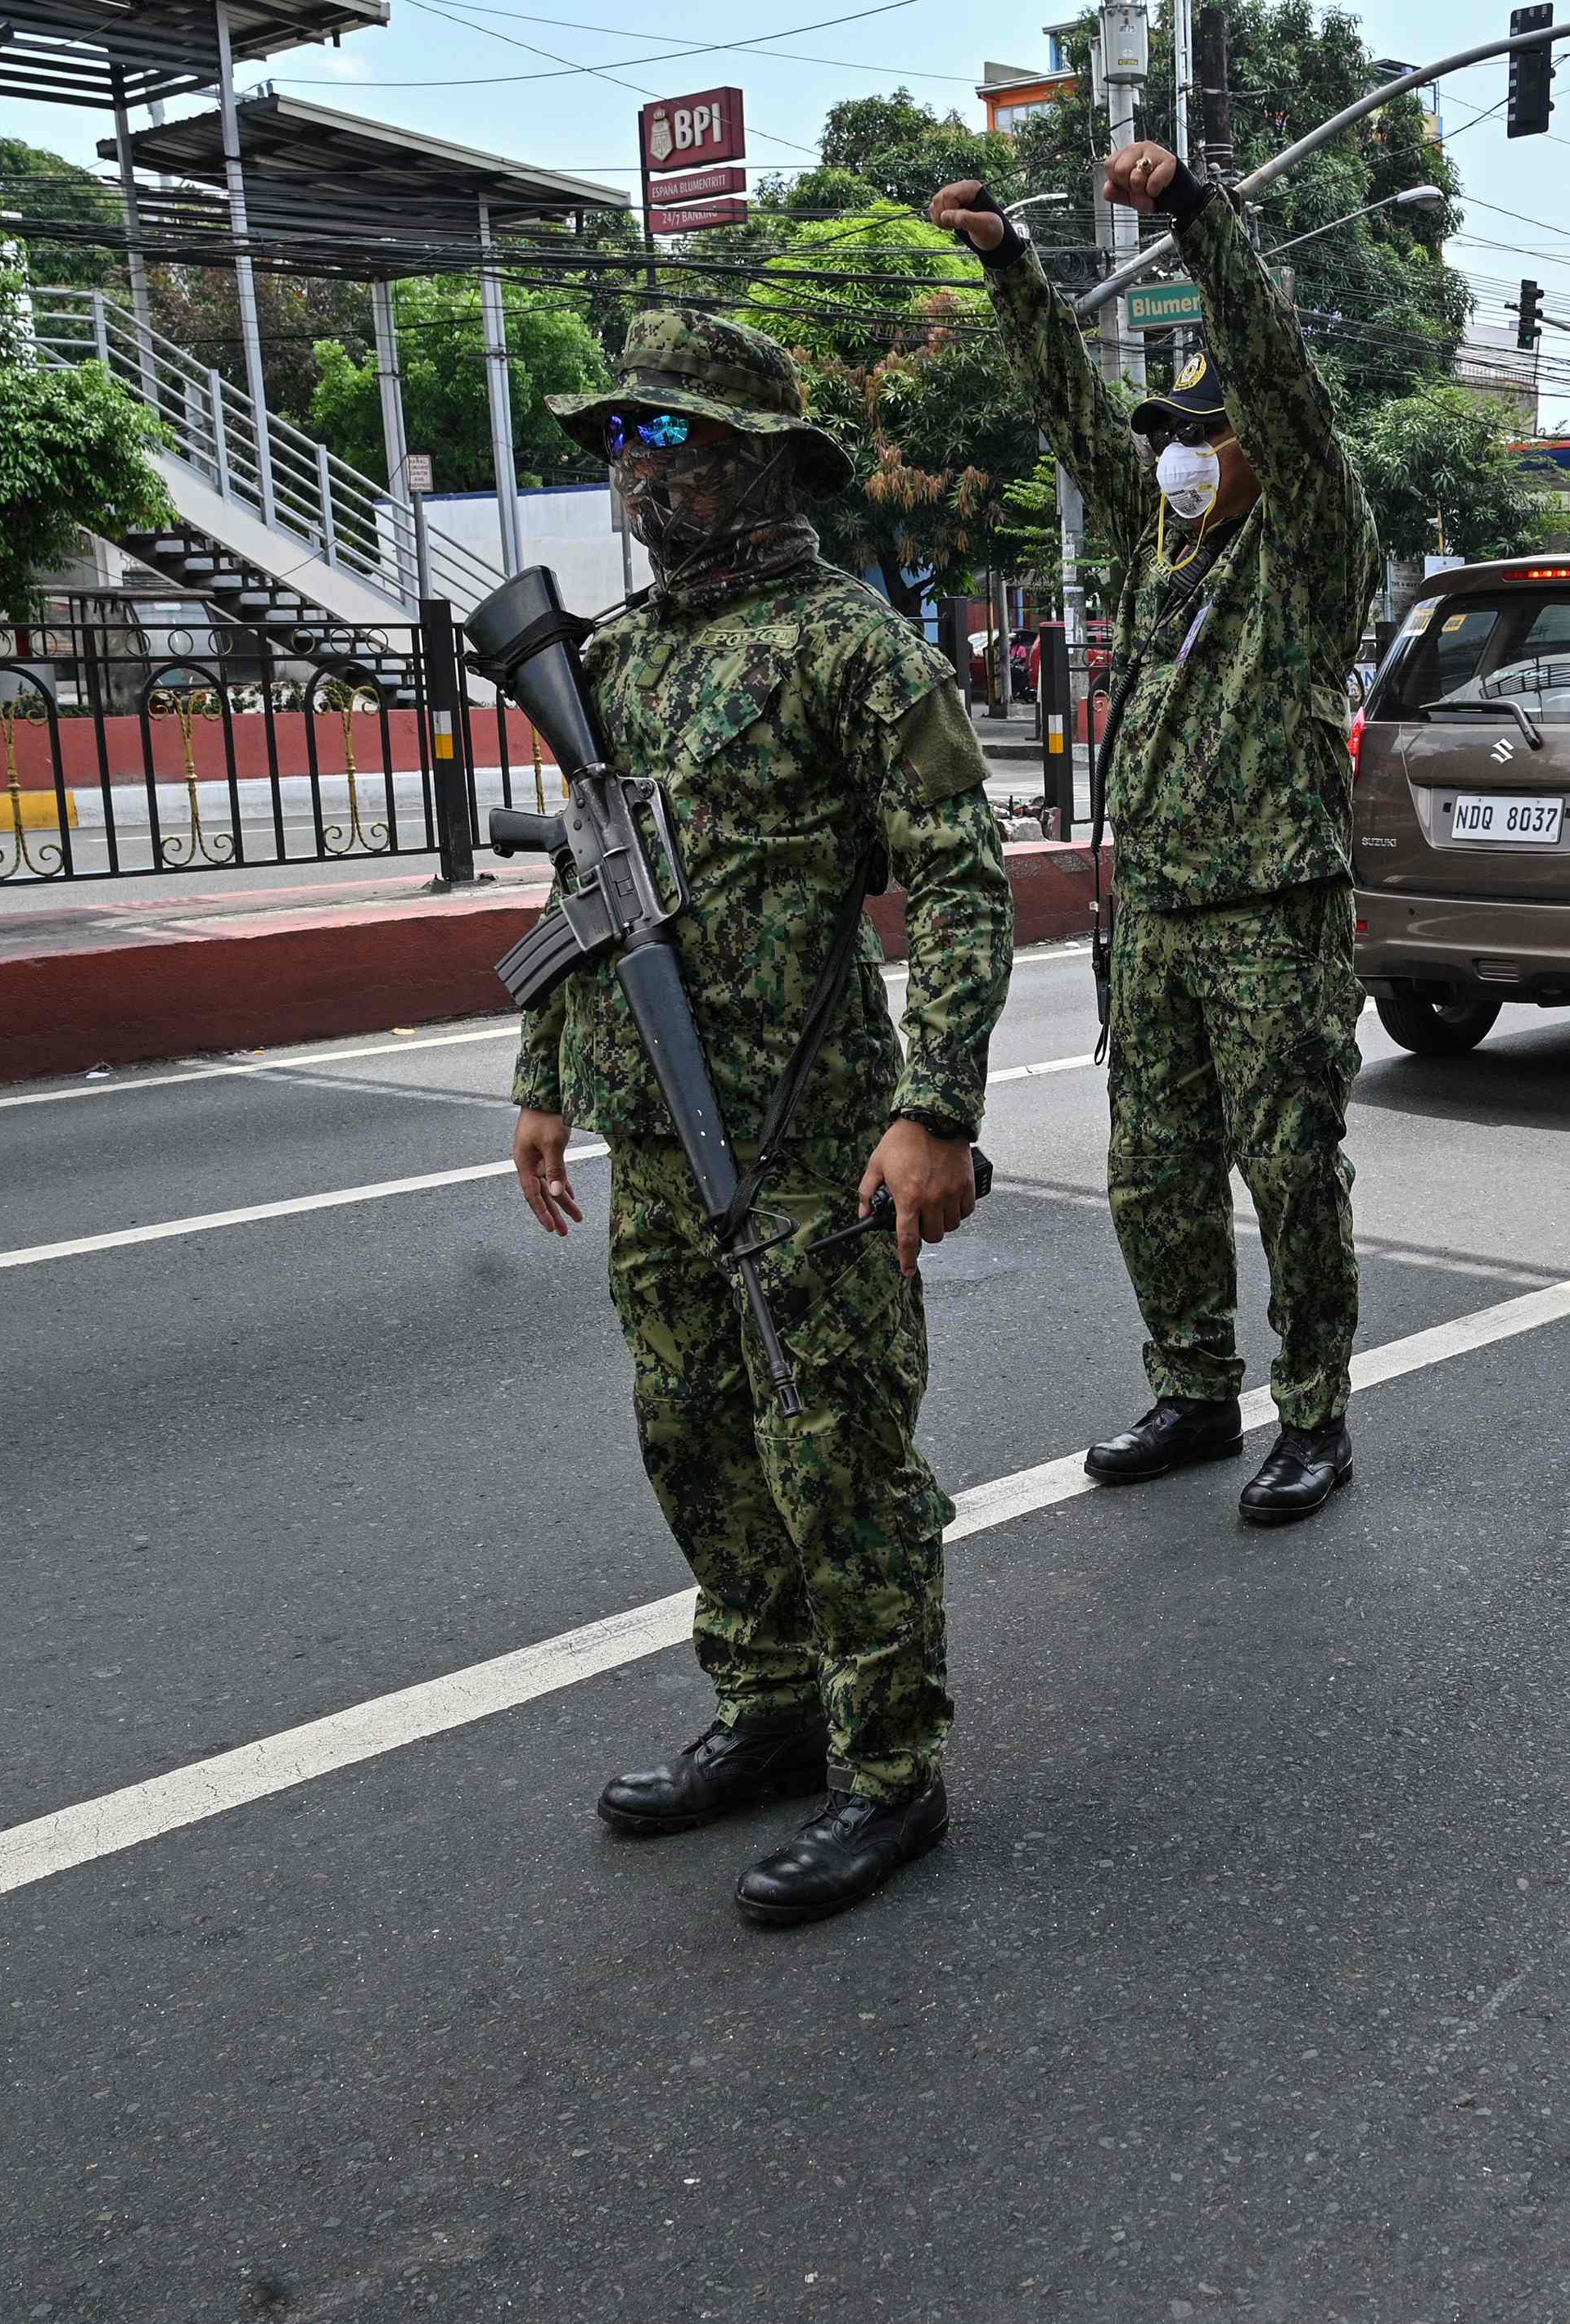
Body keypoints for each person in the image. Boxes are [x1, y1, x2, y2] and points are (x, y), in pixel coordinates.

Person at [508, 310, 1013, 1929]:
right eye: (622, 444)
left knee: (839, 1454)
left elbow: (961, 881)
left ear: (760, 463)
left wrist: (934, 1108)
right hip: (654, 1136)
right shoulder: (607, 662)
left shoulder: (852, 651)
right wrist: (541, 1075)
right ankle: (773, 1707)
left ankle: (889, 1768)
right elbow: (586, 884)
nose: (638, 475)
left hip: (811, 1139)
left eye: (671, 440)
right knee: (697, 1439)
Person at [932, 138, 1379, 1528]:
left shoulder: (1309, 542)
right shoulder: (1156, 548)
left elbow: (1288, 387)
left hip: (1274, 918)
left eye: (1206, 435)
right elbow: (1075, 417)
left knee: (1293, 1175)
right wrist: (1011, 272)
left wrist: (1193, 215)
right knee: (1153, 1175)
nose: (1183, 459)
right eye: (1173, 440)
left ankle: (1312, 1414)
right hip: (1161, 922)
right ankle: (1194, 1389)